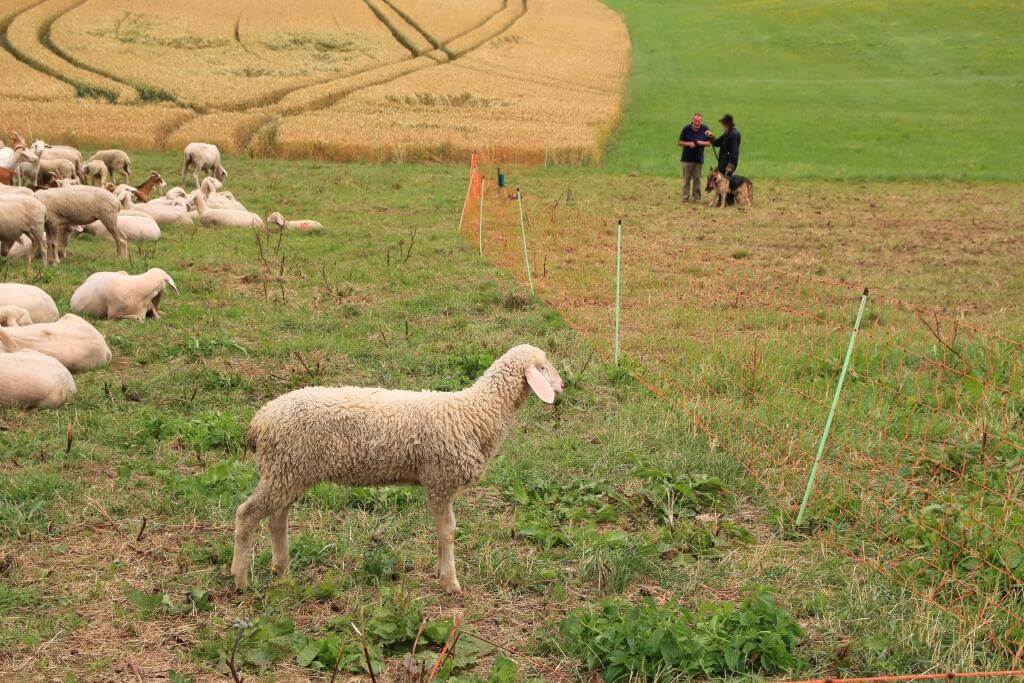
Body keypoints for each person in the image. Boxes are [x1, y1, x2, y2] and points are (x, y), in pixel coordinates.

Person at [677, 113, 711, 202]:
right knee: (686, 180)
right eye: (695, 121)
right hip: (687, 159)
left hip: (698, 159)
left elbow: (709, 143)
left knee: (697, 179)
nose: (697, 123)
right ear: (692, 120)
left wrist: (701, 143)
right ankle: (685, 198)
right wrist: (689, 144)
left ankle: (696, 198)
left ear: (701, 121)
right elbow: (679, 142)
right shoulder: (686, 129)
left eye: (699, 121)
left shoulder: (705, 129)